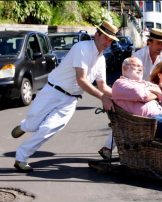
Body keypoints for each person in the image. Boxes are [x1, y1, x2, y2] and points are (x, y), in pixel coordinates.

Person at [11, 20, 119, 172]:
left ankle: (21, 158)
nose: (108, 42)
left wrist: (122, 96)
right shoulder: (82, 48)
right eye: (106, 38)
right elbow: (81, 80)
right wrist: (103, 98)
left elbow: (103, 86)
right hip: (53, 90)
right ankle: (24, 126)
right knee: (33, 124)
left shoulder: (101, 59)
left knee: (48, 129)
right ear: (97, 35)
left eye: (111, 40)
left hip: (70, 99)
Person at [99, 28, 162, 158]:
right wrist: (151, 92)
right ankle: (108, 147)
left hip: (153, 91)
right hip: (137, 92)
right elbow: (133, 82)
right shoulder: (138, 56)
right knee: (125, 117)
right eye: (158, 43)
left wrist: (157, 92)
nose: (161, 46)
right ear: (150, 42)